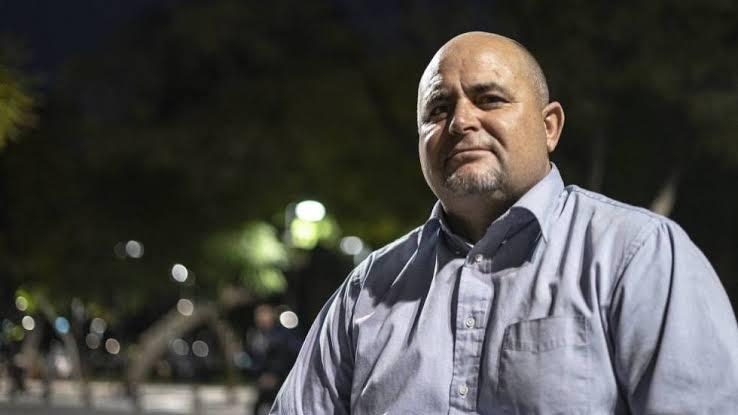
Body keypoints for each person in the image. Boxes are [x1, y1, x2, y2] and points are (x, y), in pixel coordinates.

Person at [270, 32, 738, 414]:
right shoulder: (367, 291)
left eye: (489, 99)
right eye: (438, 109)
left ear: (550, 127)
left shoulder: (638, 255)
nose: (460, 121)